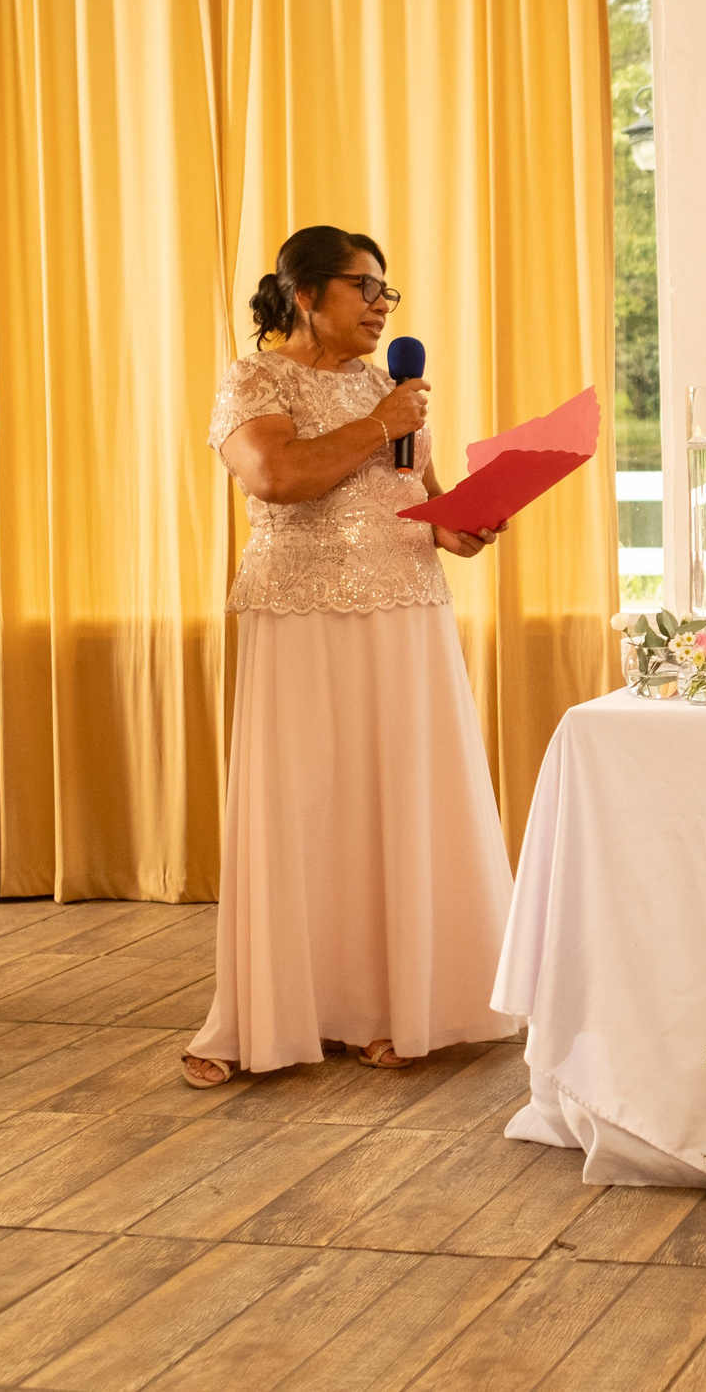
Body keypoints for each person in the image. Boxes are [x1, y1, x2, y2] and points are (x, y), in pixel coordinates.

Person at [182, 225, 515, 1088]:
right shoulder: (256, 377)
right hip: (300, 612)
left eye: (386, 293)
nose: (379, 306)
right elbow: (278, 477)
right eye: (364, 288)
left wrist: (469, 522)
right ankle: (268, 1013)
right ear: (306, 296)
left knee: (395, 803)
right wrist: (379, 423)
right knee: (303, 805)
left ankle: (389, 1008)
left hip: (407, 613)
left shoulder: (392, 392)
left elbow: (425, 508)